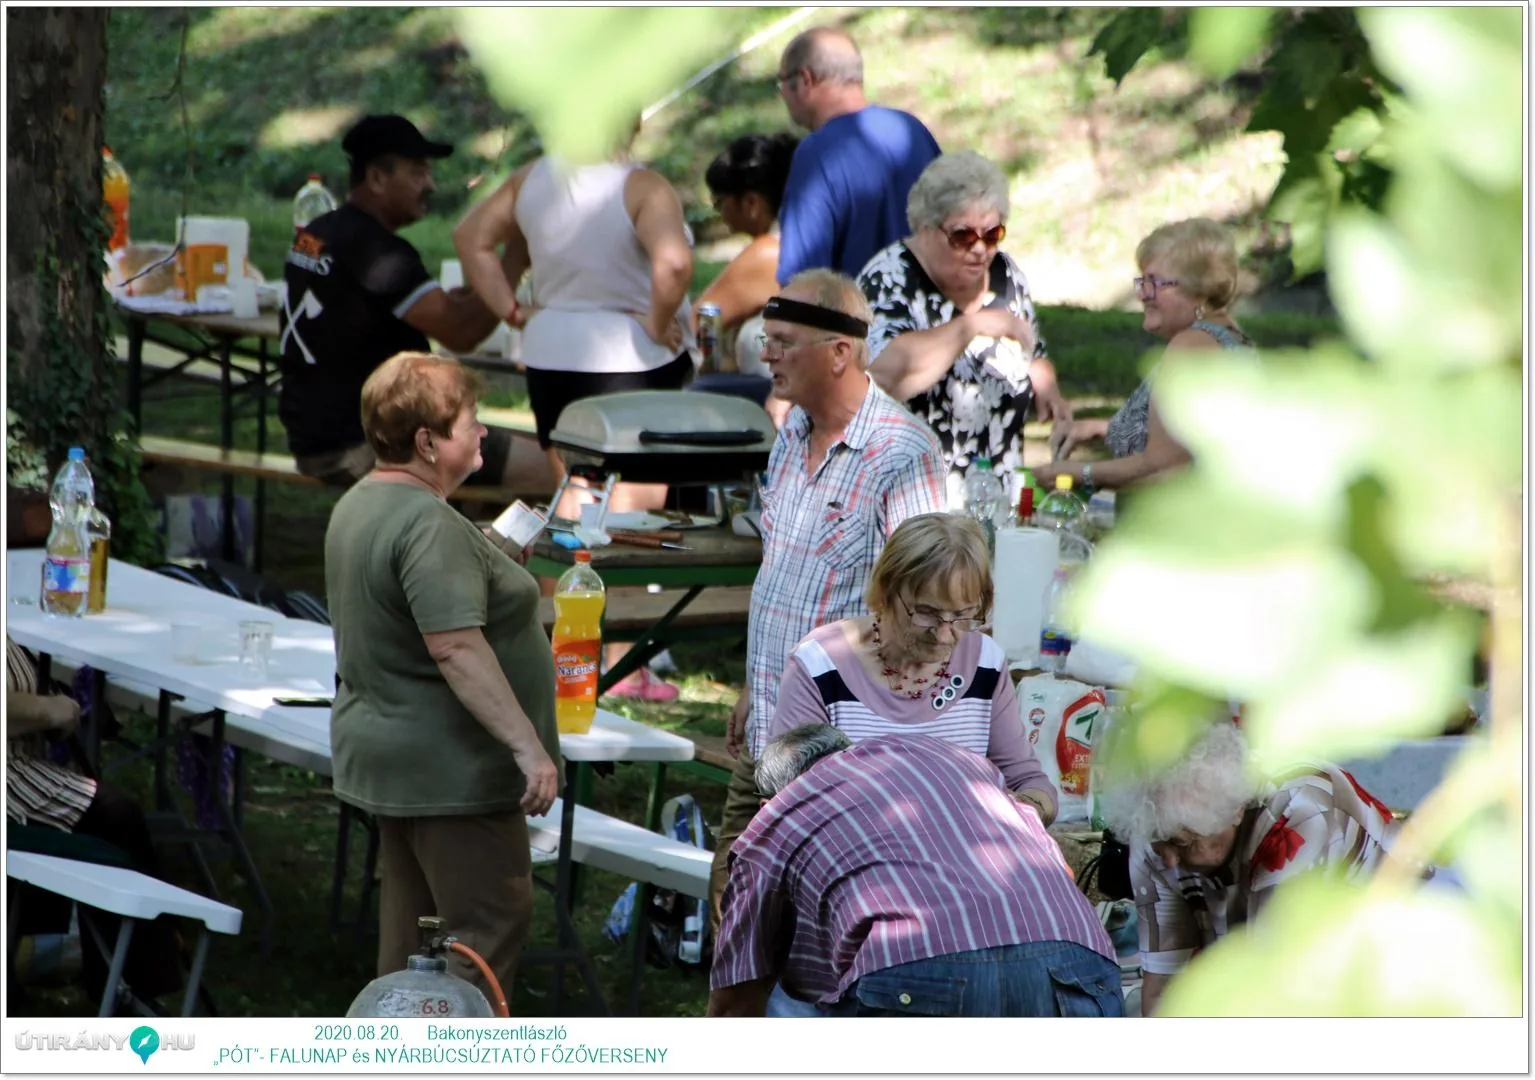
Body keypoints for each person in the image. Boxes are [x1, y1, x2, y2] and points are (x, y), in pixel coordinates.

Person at [709, 268, 946, 933]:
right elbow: (785, 571)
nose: (765, 353)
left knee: (815, 950)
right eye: (766, 337)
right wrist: (760, 682)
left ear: (839, 351)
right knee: (735, 934)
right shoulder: (788, 435)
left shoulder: (904, 456)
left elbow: (929, 621)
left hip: (837, 763)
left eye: (783, 340)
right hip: (763, 743)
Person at [324, 351, 561, 1006]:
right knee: (479, 935)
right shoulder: (427, 524)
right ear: (427, 441)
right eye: (470, 420)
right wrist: (527, 747)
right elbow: (455, 646)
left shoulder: (366, 502)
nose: (484, 431)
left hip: (397, 761)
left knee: (414, 943)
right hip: (451, 773)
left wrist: (484, 555)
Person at [454, 121, 700, 702]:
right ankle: (618, 660)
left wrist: (512, 310)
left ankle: (554, 651)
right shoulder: (642, 186)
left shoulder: (529, 180)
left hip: (552, 351)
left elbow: (470, 238)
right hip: (631, 354)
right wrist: (659, 324)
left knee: (569, 497)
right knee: (633, 507)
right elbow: (674, 265)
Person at [708, 725, 1122, 1017]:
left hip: (918, 974)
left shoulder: (779, 816)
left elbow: (735, 1006)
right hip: (1082, 966)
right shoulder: (957, 761)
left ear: (767, 803)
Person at [279, 114, 550, 492]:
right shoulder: (378, 252)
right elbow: (462, 333)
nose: (430, 185)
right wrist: (516, 255)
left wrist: (465, 300)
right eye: (418, 173)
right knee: (559, 468)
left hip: (315, 434)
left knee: (490, 451)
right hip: (365, 445)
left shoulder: (319, 232)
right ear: (376, 178)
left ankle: (461, 539)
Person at [1098, 720, 1426, 1017]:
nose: (1167, 860)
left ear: (1233, 814)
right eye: (1158, 844)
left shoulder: (1297, 815)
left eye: (1183, 844)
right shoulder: (1155, 827)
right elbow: (1162, 985)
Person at [768, 512, 1057, 822]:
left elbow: (1027, 781)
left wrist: (1024, 810)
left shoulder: (985, 663)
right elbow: (792, 801)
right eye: (927, 613)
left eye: (962, 615)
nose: (945, 633)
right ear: (885, 593)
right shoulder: (820, 666)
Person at [859, 151, 1070, 509]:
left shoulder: (1006, 276)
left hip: (995, 505)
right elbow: (884, 376)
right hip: (911, 512)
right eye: (962, 236)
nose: (980, 250)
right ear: (925, 227)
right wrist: (969, 327)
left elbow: (1030, 345)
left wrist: (1048, 387)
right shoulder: (888, 280)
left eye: (993, 234)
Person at [6, 636, 183, 1007]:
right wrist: (49, 710)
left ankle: (133, 976)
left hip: (19, 763)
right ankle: (133, 985)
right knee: (114, 819)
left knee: (117, 816)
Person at [1037, 217, 1256, 493]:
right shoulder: (1227, 337)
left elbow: (1164, 464)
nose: (1142, 294)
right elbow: (1180, 440)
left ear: (1198, 289)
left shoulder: (1191, 345)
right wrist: (1102, 429)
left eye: (1154, 283)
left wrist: (1077, 473)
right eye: (1142, 281)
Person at [773, 27, 942, 283]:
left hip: (861, 320)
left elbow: (803, 280)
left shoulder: (817, 154)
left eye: (782, 82)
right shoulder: (913, 131)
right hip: (935, 317)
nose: (782, 93)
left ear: (805, 79)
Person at [692, 133, 799, 427]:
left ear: (751, 201)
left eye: (719, 202)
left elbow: (699, 323)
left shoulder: (768, 253)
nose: (720, 213)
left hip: (772, 409)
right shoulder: (802, 239)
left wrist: (712, 366)